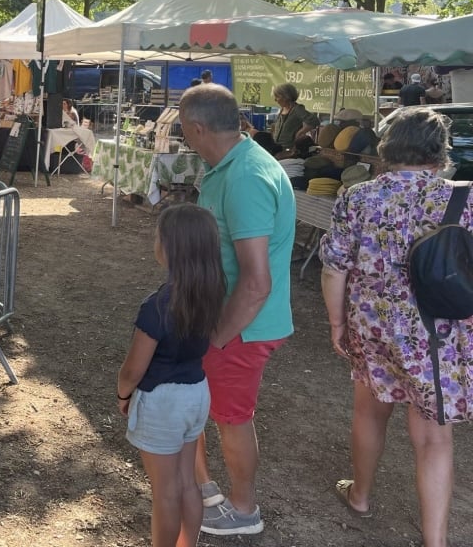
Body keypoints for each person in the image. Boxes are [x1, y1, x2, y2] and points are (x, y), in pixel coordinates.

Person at [319, 107, 473, 546]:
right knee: (433, 439)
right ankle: (436, 541)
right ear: (439, 153)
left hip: (373, 326)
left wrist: (336, 323)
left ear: (386, 149)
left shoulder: (358, 196)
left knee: (369, 411)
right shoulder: (464, 198)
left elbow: (334, 267)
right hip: (438, 332)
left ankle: (361, 495)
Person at [177, 84, 295, 536]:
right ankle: (205, 488)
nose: (185, 139)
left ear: (198, 127)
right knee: (199, 404)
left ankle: (245, 511)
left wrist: (220, 336)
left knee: (231, 417)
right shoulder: (229, 166)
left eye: (185, 131)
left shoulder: (246, 176)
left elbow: (256, 280)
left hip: (240, 327)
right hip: (223, 319)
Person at [118, 204, 226, 547]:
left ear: (169, 247)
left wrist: (123, 395)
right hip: (196, 393)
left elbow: (133, 369)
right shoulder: (211, 293)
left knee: (164, 493)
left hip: (162, 400)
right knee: (186, 482)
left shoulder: (157, 306)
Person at [269, 82, 318, 150]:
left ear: (286, 96)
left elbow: (314, 121)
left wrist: (300, 132)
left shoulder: (297, 109)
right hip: (276, 147)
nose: (275, 100)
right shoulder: (282, 109)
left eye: (277, 97)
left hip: (288, 149)